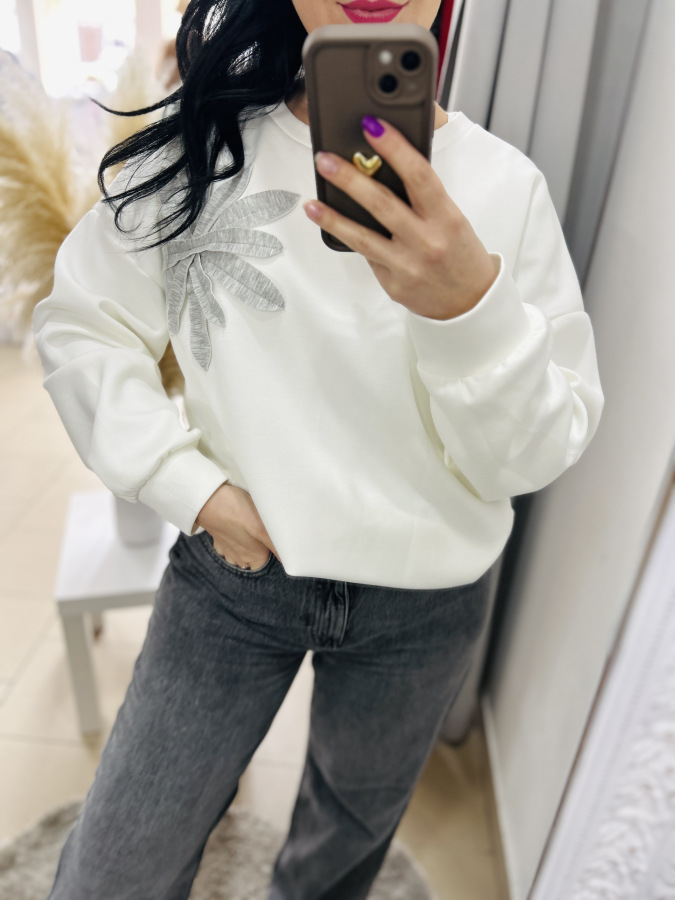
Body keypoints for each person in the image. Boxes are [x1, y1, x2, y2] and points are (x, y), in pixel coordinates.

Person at [32, 0, 604, 897]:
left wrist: (467, 309)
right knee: (113, 874)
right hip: (237, 575)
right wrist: (187, 486)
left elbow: (531, 455)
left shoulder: (504, 188)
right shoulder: (206, 151)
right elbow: (80, 326)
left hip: (423, 600)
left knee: (336, 861)